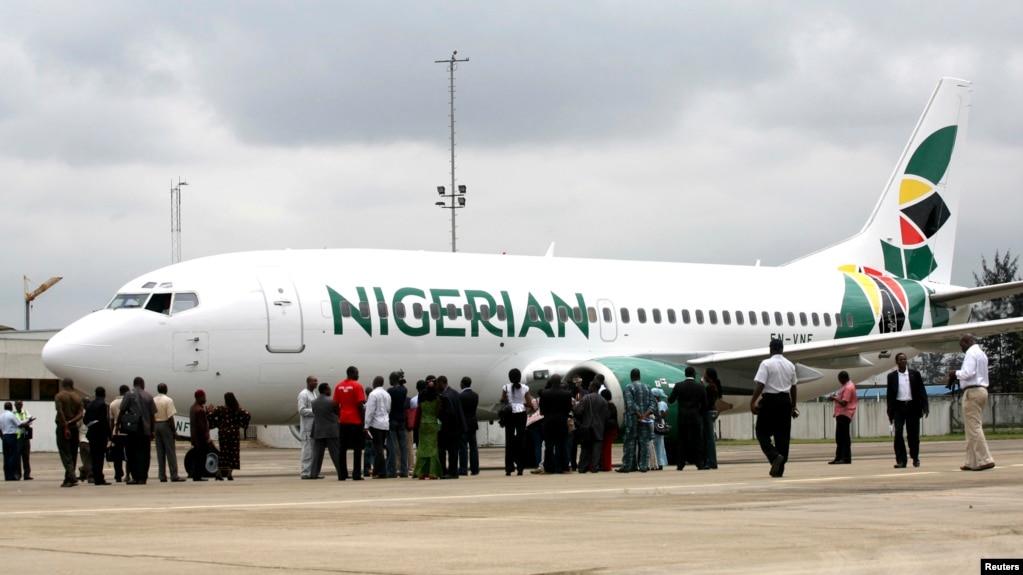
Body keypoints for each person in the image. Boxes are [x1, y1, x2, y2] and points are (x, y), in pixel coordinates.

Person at [749, 339, 797, 478]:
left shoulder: (766, 363)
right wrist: (793, 405)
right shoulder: (790, 365)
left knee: (761, 432)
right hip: (785, 401)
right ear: (782, 349)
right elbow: (793, 386)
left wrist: (753, 401)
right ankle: (779, 469)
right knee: (782, 435)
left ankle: (774, 455)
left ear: (770, 349)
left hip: (770, 401)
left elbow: (760, 384)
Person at [951, 334, 996, 471]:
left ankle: (985, 459)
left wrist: (954, 373)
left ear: (967, 342)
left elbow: (967, 373)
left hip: (973, 392)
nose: (961, 348)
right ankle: (971, 461)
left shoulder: (971, 353)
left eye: (962, 344)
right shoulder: (981, 353)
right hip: (981, 390)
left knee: (974, 427)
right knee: (971, 427)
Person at [886, 352, 928, 468]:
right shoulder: (891, 376)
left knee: (913, 435)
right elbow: (890, 396)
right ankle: (901, 460)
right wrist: (890, 412)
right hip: (899, 407)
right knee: (898, 433)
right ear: (897, 362)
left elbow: (921, 391)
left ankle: (915, 457)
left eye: (905, 359)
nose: (903, 361)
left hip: (913, 407)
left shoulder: (915, 374)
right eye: (900, 359)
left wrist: (925, 407)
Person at [668, 366, 708, 471]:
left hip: (682, 416)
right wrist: (699, 414)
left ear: (685, 374)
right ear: (694, 374)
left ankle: (680, 464)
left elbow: (671, 400)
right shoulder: (700, 387)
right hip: (695, 416)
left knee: (682, 440)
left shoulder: (678, 386)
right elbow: (705, 404)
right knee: (697, 440)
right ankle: (699, 463)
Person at [119, 376, 157, 484]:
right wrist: (152, 430)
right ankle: (143, 476)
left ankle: (135, 477)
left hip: (132, 430)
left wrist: (117, 425)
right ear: (142, 383)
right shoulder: (149, 396)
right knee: (145, 454)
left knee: (132, 454)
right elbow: (152, 415)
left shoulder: (128, 395)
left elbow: (122, 411)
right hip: (145, 430)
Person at [618, 368, 656, 473]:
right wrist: (645, 415)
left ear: (631, 377)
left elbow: (630, 404)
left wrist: (639, 415)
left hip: (632, 421)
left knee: (630, 444)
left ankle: (629, 466)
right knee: (644, 444)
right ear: (639, 376)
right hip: (645, 421)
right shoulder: (647, 387)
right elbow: (653, 404)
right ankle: (643, 466)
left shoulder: (629, 387)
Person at [333, 366, 367, 480]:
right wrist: (363, 420)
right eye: (357, 373)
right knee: (357, 449)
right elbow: (360, 404)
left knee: (342, 448)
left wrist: (339, 415)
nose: (358, 375)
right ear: (352, 374)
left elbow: (335, 404)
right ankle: (356, 474)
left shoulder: (338, 386)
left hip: (343, 420)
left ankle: (342, 474)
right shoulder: (357, 386)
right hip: (355, 421)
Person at [210, 392, 251, 480]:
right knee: (233, 454)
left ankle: (219, 473)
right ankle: (229, 473)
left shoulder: (220, 409)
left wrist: (218, 424)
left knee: (223, 454)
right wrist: (241, 424)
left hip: (223, 434)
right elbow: (248, 415)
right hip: (234, 435)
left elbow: (211, 416)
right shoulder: (237, 409)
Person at [501, 368, 533, 476]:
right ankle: (520, 468)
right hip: (521, 413)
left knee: (509, 440)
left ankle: (509, 468)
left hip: (509, 414)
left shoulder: (505, 387)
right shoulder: (525, 388)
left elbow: (502, 401)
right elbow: (530, 405)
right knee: (521, 440)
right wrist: (524, 409)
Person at [538, 374, 572, 474]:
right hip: (562, 421)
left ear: (551, 381)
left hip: (549, 421)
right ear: (560, 381)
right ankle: (564, 467)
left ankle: (548, 468)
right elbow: (568, 409)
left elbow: (542, 410)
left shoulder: (544, 393)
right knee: (563, 445)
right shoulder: (567, 394)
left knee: (549, 446)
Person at [54, 377, 84, 487]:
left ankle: (71, 476)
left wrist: (65, 425)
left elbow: (60, 411)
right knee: (73, 452)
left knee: (65, 453)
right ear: (72, 385)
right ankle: (68, 479)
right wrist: (71, 421)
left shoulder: (59, 396)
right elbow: (81, 414)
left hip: (63, 427)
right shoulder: (77, 397)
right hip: (74, 426)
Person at [309, 382, 342, 480]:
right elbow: (337, 413)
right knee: (336, 454)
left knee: (317, 455)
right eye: (329, 389)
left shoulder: (313, 402)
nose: (330, 390)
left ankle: (313, 473)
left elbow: (315, 413)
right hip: (331, 431)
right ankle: (341, 473)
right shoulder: (332, 402)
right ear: (325, 390)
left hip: (318, 430)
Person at [574, 379, 608, 473]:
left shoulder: (586, 398)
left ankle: (582, 467)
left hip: (587, 425)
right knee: (597, 448)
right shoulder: (603, 400)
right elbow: (606, 415)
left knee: (585, 448)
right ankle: (595, 467)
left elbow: (579, 411)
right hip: (599, 427)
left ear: (592, 387)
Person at [154, 383, 185, 482]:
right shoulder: (168, 400)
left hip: (156, 425)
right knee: (170, 451)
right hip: (165, 425)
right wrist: (174, 431)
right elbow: (170, 417)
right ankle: (174, 474)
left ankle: (162, 475)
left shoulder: (153, 400)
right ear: (166, 389)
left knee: (160, 452)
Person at [437, 375, 466, 479]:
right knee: (454, 450)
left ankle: (450, 472)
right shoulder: (454, 393)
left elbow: (449, 413)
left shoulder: (445, 397)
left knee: (447, 450)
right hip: (457, 427)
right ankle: (453, 471)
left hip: (449, 428)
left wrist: (439, 414)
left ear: (441, 383)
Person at [412, 379, 442, 480]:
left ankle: (421, 472)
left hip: (422, 424)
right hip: (432, 423)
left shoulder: (421, 397)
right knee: (432, 448)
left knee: (422, 447)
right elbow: (437, 412)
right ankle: (432, 473)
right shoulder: (437, 398)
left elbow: (419, 409)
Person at [83, 387, 112, 485]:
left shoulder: (90, 404)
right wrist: (109, 434)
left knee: (94, 455)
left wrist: (91, 425)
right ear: (104, 394)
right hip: (100, 434)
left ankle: (95, 476)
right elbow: (104, 420)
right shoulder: (103, 404)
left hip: (91, 433)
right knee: (100, 457)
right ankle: (99, 478)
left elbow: (85, 420)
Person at [364, 375, 391, 479]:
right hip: (385, 424)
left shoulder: (373, 394)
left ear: (375, 383)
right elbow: (388, 409)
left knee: (378, 449)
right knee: (379, 448)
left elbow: (370, 411)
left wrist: (366, 425)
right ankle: (376, 471)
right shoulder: (387, 394)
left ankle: (382, 472)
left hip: (375, 424)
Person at [827, 371, 857, 464]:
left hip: (845, 414)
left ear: (842, 379)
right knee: (840, 437)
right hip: (841, 414)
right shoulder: (848, 386)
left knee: (843, 437)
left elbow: (844, 402)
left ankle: (845, 457)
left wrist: (834, 398)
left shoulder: (848, 387)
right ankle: (839, 457)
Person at [385, 371, 409, 478]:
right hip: (402, 420)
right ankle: (404, 470)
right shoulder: (404, 390)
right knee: (403, 447)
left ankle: (392, 470)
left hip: (393, 419)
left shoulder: (390, 391)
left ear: (393, 379)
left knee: (392, 446)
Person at [108, 384, 131, 483]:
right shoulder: (129, 402)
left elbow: (111, 421)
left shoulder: (112, 404)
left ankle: (118, 475)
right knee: (129, 454)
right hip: (127, 432)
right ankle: (128, 475)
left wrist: (112, 434)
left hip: (116, 433)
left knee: (117, 456)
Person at [298, 375, 319, 479]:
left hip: (313, 427)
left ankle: (312, 472)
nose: (316, 383)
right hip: (307, 428)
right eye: (313, 381)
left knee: (313, 451)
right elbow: (301, 410)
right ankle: (305, 473)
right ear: (308, 382)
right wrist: (315, 412)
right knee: (307, 451)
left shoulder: (314, 394)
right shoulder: (303, 394)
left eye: (316, 381)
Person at [458, 376, 480, 476]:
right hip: (473, 423)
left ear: (463, 384)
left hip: (463, 424)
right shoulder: (475, 395)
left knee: (463, 448)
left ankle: (463, 469)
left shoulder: (460, 396)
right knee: (473, 448)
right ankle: (475, 469)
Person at [701, 368, 722, 469]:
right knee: (709, 438)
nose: (703, 376)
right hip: (712, 412)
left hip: (708, 412)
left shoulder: (710, 387)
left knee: (709, 439)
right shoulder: (714, 386)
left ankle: (711, 462)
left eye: (704, 374)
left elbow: (706, 402)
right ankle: (710, 461)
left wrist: (700, 385)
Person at [189, 390, 212, 481]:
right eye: (204, 397)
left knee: (197, 458)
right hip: (201, 440)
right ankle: (197, 476)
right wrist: (207, 438)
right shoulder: (199, 410)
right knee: (201, 459)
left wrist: (206, 413)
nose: (205, 399)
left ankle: (195, 475)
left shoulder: (193, 408)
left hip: (195, 439)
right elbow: (202, 426)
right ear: (199, 398)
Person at [13, 401, 35, 480]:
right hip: (18, 437)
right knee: (17, 456)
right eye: (17, 405)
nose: (18, 406)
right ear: (14, 405)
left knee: (26, 456)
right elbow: (17, 423)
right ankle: (18, 474)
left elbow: (30, 421)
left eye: (20, 404)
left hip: (25, 437)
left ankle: (27, 475)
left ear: (22, 405)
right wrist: (26, 422)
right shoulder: (13, 414)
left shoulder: (26, 412)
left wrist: (26, 422)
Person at [649, 388, 669, 470]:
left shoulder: (656, 404)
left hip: (655, 424)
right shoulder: (661, 403)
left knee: (656, 444)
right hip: (659, 424)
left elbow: (663, 414)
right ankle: (659, 462)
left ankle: (657, 462)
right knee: (659, 444)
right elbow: (665, 414)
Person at [1, 402, 21, 480]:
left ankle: (7, 475)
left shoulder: (1, 416)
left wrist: (2, 437)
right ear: (11, 407)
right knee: (13, 456)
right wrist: (28, 422)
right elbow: (19, 424)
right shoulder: (11, 415)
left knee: (6, 456)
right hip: (12, 436)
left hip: (5, 436)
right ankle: (12, 475)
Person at [599, 389, 618, 472]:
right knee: (608, 448)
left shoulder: (602, 406)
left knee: (602, 447)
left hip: (604, 428)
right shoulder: (612, 406)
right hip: (612, 428)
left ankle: (603, 465)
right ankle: (607, 465)